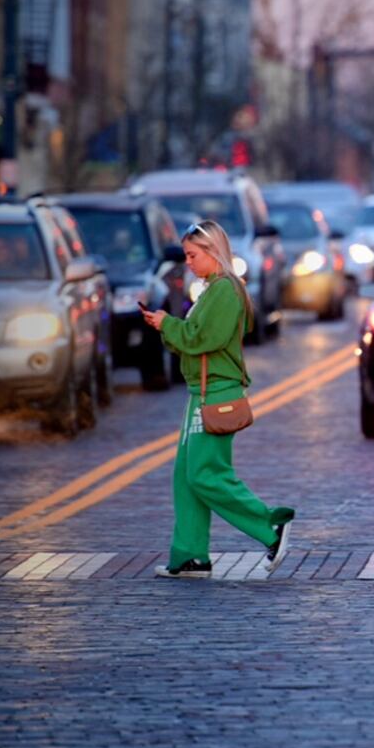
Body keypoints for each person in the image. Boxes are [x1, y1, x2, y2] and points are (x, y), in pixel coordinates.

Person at [143, 220, 294, 578]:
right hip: (202, 392)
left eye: (193, 255)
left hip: (215, 394)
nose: (189, 263)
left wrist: (168, 324)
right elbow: (192, 341)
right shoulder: (213, 289)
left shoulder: (225, 290)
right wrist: (166, 326)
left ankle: (269, 527)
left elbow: (201, 339)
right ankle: (191, 555)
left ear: (213, 252)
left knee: (206, 474)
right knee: (186, 476)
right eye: (186, 255)